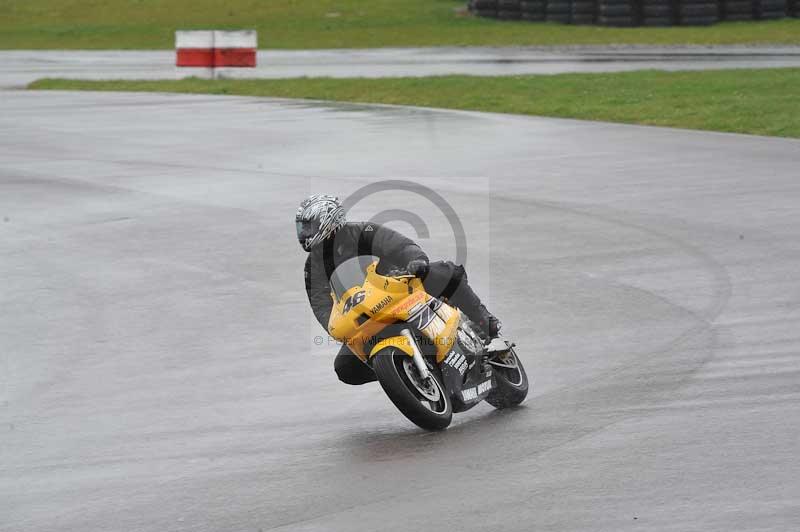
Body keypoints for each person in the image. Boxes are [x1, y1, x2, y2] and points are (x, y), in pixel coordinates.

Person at [297, 193, 501, 385]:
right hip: (364, 315)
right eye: (302, 228)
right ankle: (402, 372)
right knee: (345, 368)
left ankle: (486, 326)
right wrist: (336, 328)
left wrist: (416, 262)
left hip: (397, 287)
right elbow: (321, 304)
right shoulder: (312, 266)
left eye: (309, 227)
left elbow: (399, 245)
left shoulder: (362, 232)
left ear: (327, 220)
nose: (304, 233)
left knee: (446, 273)